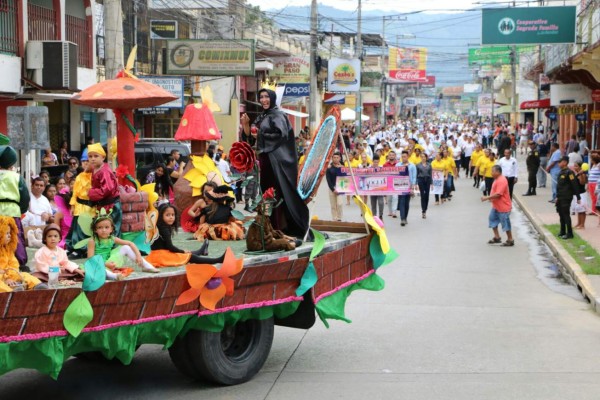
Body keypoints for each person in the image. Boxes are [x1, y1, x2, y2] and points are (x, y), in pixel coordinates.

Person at [240, 87, 309, 240]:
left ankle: (279, 228)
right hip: (265, 161)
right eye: (261, 97)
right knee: (266, 194)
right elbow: (253, 140)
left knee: (276, 194)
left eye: (266, 97)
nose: (264, 100)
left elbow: (281, 135)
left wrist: (261, 135)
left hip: (277, 162)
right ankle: (269, 227)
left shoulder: (278, 115)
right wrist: (246, 126)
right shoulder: (263, 116)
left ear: (271, 98)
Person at [145, 204, 226, 268]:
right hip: (161, 256)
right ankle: (218, 260)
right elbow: (170, 247)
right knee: (190, 257)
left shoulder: (160, 226)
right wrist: (182, 251)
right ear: (160, 216)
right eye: (168, 215)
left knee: (186, 254)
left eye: (173, 215)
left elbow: (167, 247)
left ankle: (201, 251)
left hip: (157, 254)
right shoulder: (164, 229)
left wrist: (182, 251)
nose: (171, 217)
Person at [88, 214, 158, 274]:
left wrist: (138, 255)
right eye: (100, 227)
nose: (104, 230)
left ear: (111, 229)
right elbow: (90, 259)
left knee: (126, 247)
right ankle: (112, 275)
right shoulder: (93, 241)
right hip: (98, 263)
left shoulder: (111, 238)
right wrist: (106, 264)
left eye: (106, 227)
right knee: (98, 270)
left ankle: (146, 266)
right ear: (95, 230)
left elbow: (130, 243)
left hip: (110, 261)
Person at [0, 144, 30, 271]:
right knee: (14, 236)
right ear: (12, 162)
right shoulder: (17, 177)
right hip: (13, 210)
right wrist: (21, 209)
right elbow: (25, 197)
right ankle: (19, 262)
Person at [0, 216, 47, 292]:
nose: (10, 235)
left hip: (9, 275)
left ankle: (36, 285)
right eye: (7, 233)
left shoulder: (8, 250)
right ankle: (10, 291)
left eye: (10, 233)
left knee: (25, 275)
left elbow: (14, 265)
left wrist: (10, 278)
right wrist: (5, 278)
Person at [87, 143, 122, 237]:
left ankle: (114, 247)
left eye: (96, 156)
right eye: (90, 156)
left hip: (111, 205)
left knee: (112, 228)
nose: (93, 159)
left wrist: (91, 193)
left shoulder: (104, 171)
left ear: (103, 157)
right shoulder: (95, 169)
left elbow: (108, 189)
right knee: (103, 229)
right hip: (104, 205)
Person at [481, 165, 514, 247]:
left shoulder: (502, 180)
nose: (491, 173)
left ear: (498, 172)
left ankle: (510, 239)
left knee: (505, 223)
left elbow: (499, 194)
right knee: (492, 219)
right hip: (496, 206)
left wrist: (487, 197)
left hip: (503, 207)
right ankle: (497, 237)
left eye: (493, 171)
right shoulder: (496, 179)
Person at [555, 156, 581, 239]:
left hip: (566, 196)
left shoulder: (569, 173)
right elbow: (559, 186)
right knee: (561, 214)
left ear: (565, 162)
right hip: (560, 196)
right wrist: (557, 197)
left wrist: (578, 197)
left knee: (566, 214)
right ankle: (562, 231)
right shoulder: (561, 172)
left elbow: (574, 184)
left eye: (560, 162)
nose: (559, 163)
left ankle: (569, 233)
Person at [396, 151, 416, 226]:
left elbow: (414, 177)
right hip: (400, 185)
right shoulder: (398, 165)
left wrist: (412, 187)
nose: (403, 158)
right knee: (401, 201)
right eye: (402, 156)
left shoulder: (412, 166)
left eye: (405, 156)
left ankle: (405, 217)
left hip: (408, 186)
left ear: (408, 157)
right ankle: (402, 218)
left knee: (406, 203)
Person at [325, 152, 344, 221]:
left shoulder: (342, 167)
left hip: (340, 188)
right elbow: (328, 180)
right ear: (332, 158)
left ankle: (339, 217)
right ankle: (334, 218)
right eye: (334, 158)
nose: (336, 159)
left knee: (339, 203)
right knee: (333, 205)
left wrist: (341, 169)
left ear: (340, 158)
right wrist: (333, 189)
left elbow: (345, 178)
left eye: (337, 158)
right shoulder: (329, 168)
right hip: (332, 188)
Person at [572, 162, 588, 230]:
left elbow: (582, 183)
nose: (574, 167)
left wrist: (580, 174)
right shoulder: (576, 174)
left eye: (576, 166)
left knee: (582, 210)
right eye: (574, 166)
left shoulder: (583, 174)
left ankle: (582, 224)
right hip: (576, 194)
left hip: (581, 194)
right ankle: (579, 223)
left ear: (580, 167)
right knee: (578, 210)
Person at [416, 152, 432, 219]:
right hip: (421, 180)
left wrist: (431, 182)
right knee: (422, 195)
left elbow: (430, 174)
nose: (423, 158)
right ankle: (423, 210)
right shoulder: (418, 165)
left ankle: (425, 208)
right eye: (422, 157)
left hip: (427, 180)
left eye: (424, 157)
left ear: (426, 157)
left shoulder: (429, 165)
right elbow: (416, 174)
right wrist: (416, 183)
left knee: (427, 195)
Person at [369, 155, 384, 219]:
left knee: (381, 202)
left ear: (379, 162)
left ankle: (380, 214)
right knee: (373, 203)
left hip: (380, 188)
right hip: (372, 188)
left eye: (377, 162)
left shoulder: (381, 168)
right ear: (372, 161)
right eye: (375, 162)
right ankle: (374, 216)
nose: (376, 163)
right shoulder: (369, 169)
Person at [384, 151, 398, 217]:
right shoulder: (385, 165)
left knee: (395, 197)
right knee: (389, 198)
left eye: (393, 155)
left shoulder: (398, 164)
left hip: (396, 183)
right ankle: (390, 211)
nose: (391, 156)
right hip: (388, 183)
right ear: (388, 156)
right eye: (390, 155)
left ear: (395, 156)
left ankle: (394, 211)